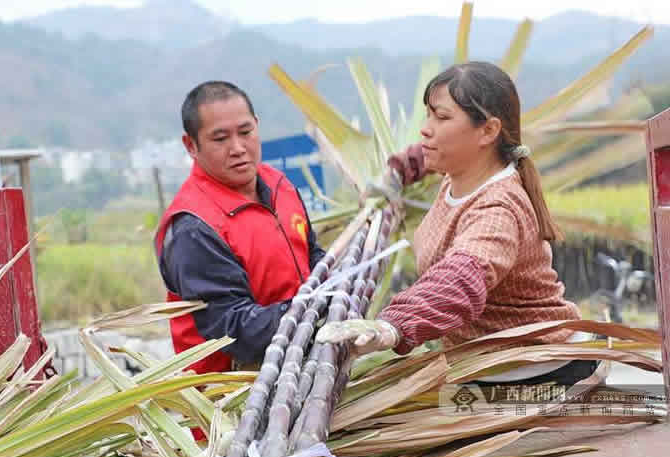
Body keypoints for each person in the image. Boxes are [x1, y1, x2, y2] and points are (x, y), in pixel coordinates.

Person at [317, 61, 597, 386]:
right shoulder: (458, 170)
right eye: (428, 114)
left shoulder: (498, 208)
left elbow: (462, 278)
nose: (426, 128)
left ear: (488, 131)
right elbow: (422, 154)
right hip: (480, 363)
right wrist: (397, 171)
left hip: (529, 370)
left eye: (442, 117)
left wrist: (393, 324)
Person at [155, 81, 325, 375]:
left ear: (257, 126)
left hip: (300, 369)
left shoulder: (278, 185)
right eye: (220, 139)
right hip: (236, 401)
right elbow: (234, 330)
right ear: (191, 145)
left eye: (245, 132)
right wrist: (317, 307)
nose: (237, 148)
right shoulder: (194, 227)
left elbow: (311, 254)